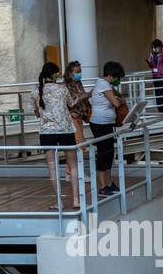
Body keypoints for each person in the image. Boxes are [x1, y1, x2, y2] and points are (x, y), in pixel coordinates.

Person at [31, 61, 82, 211]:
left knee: (52, 168)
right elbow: (71, 104)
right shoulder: (62, 88)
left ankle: (58, 202)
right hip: (65, 129)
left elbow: (35, 112)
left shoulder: (35, 92)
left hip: (47, 132)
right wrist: (81, 97)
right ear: (54, 75)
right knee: (73, 165)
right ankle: (76, 200)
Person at [88, 61, 126, 198]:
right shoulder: (103, 84)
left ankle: (109, 183)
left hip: (106, 123)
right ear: (111, 75)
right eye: (117, 77)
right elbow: (115, 103)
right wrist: (121, 100)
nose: (117, 80)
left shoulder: (104, 84)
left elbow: (113, 93)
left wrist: (117, 95)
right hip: (100, 123)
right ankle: (103, 185)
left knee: (109, 153)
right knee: (104, 153)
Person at [62, 60, 91, 142]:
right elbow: (69, 102)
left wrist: (88, 95)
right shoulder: (65, 86)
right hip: (72, 116)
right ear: (70, 73)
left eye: (80, 71)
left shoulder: (78, 83)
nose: (80, 73)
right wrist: (83, 96)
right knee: (80, 141)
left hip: (80, 115)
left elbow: (83, 95)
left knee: (81, 139)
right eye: (77, 71)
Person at [147, 39, 163, 113]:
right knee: (157, 95)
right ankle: (160, 112)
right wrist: (149, 62)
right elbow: (151, 65)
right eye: (153, 47)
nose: (154, 49)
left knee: (162, 95)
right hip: (156, 77)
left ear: (160, 47)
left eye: (156, 47)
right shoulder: (152, 54)